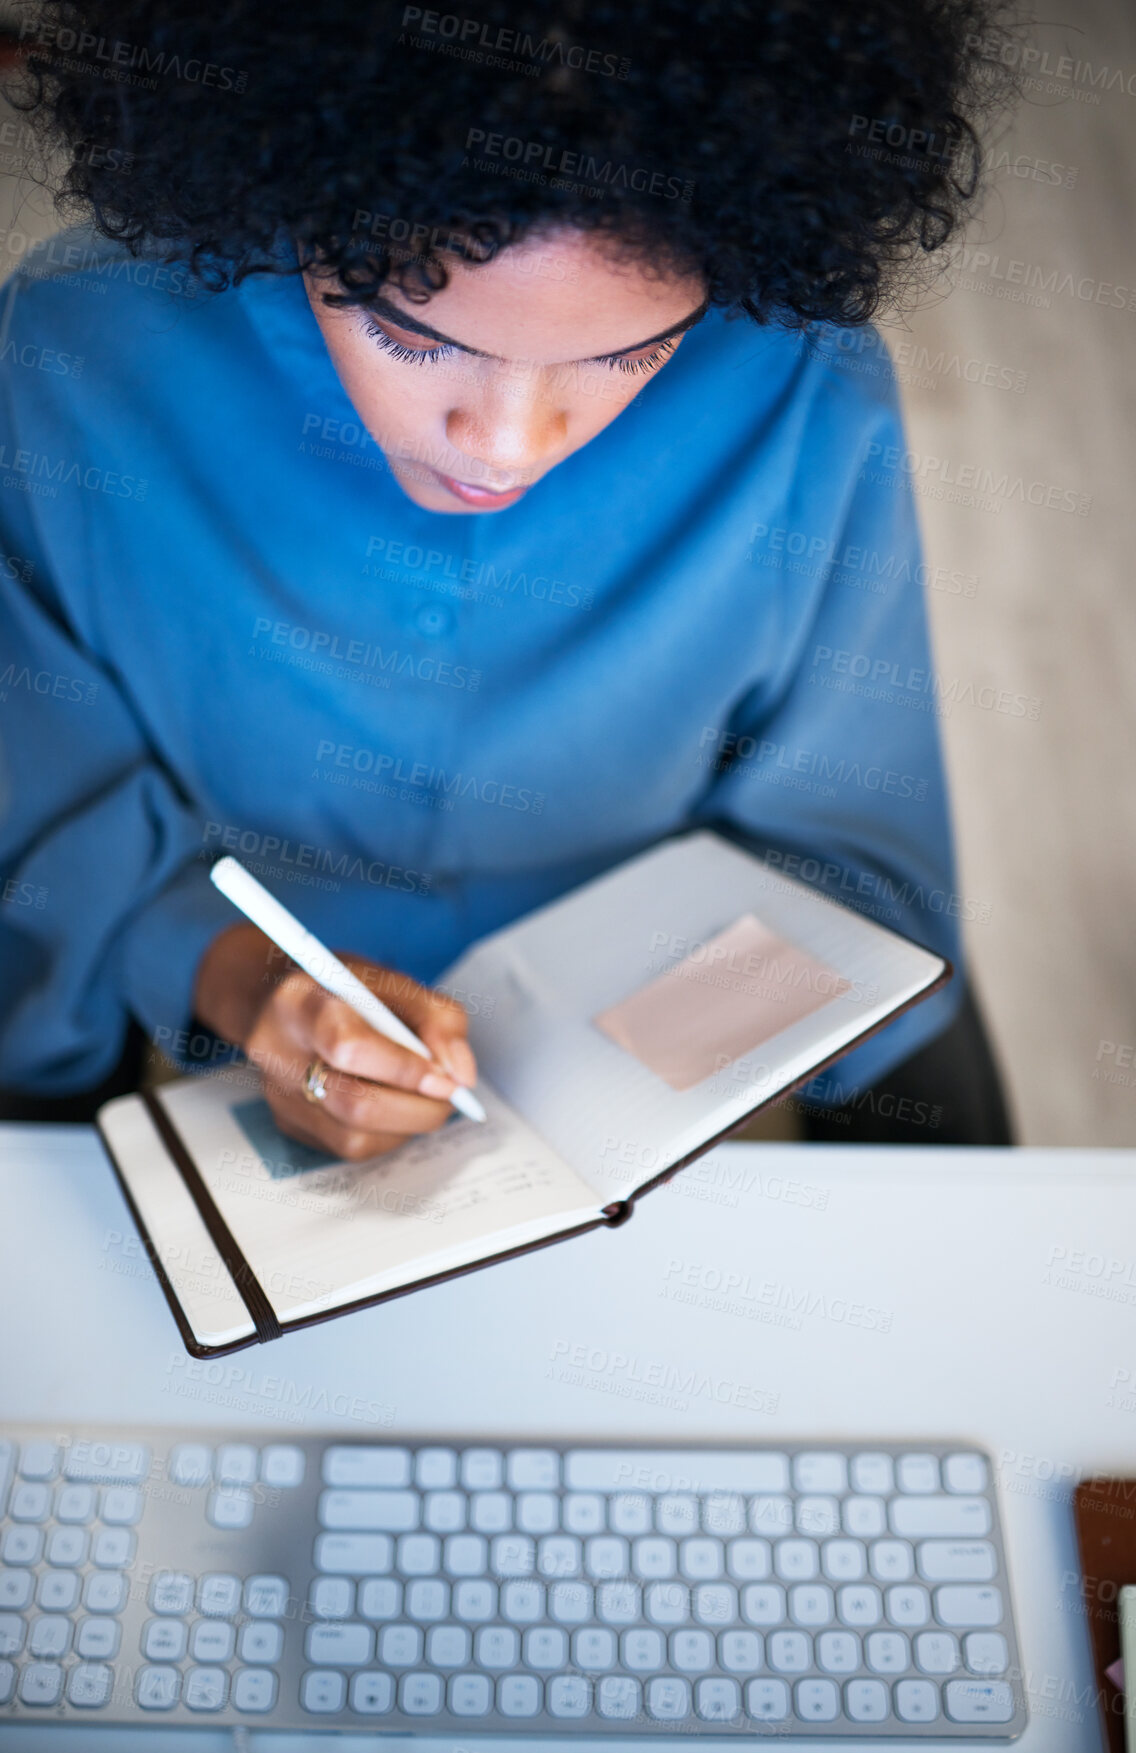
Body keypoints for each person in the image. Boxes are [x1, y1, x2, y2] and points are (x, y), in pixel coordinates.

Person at [0, 0, 1014, 1156]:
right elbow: (45, 816)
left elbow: (847, 862)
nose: (505, 446)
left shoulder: (803, 390)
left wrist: (589, 1090)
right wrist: (248, 987)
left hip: (659, 1082)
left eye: (627, 352)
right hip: (227, 1042)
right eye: (415, 337)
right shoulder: (79, 353)